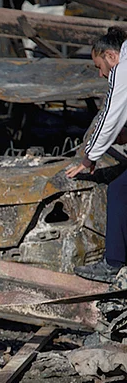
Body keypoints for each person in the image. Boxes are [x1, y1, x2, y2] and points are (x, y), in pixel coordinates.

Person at [67, 26, 127, 282]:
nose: (102, 74)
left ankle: (112, 264)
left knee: (118, 190)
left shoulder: (123, 68)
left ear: (111, 55)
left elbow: (110, 115)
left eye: (100, 66)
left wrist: (89, 156)